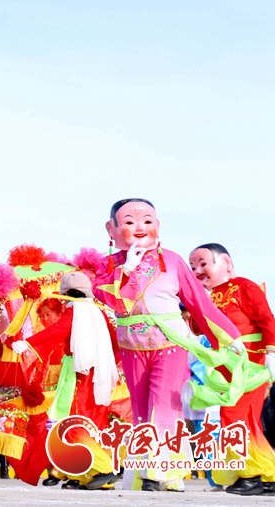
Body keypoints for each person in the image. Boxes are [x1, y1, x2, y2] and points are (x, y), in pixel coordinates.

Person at [93, 199, 243, 491]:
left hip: (171, 343)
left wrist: (229, 336)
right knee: (140, 410)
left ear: (158, 226)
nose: (140, 227)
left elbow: (199, 303)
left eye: (148, 221)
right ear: (111, 229)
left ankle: (157, 472)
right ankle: (155, 473)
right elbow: (108, 299)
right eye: (129, 222)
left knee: (163, 405)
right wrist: (128, 267)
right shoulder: (108, 265)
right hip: (131, 346)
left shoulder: (172, 260)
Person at [12, 273, 121, 489]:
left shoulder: (75, 311)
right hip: (98, 374)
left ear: (68, 293)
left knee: (72, 423)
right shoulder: (99, 313)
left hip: (80, 374)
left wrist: (29, 343)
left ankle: (103, 468)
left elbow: (57, 331)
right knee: (92, 424)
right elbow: (115, 345)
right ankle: (86, 476)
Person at [188, 243, 275, 495]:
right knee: (246, 420)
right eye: (193, 267)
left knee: (234, 416)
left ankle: (250, 475)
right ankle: (267, 475)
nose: (197, 271)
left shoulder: (244, 287)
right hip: (226, 368)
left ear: (225, 263)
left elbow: (267, 319)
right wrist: (200, 299)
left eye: (203, 264)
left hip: (250, 365)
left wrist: (271, 352)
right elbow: (197, 328)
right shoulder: (208, 295)